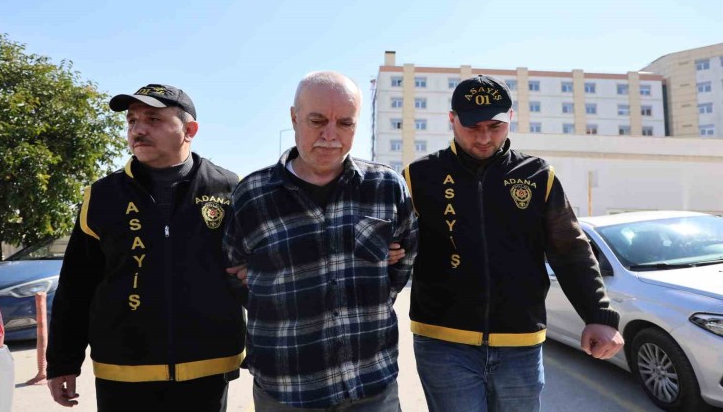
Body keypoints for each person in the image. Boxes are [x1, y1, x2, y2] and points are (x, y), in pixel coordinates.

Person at [403, 75, 625, 411]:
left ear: (510, 117)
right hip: (443, 342)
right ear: (451, 119)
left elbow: (570, 249)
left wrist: (598, 315)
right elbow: (396, 249)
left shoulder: (538, 175)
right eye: (472, 126)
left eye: (495, 126)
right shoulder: (418, 176)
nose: (484, 137)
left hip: (520, 342)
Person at [223, 71, 419, 411]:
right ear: (294, 118)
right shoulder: (252, 195)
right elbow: (232, 269)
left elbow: (405, 258)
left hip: (371, 383)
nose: (330, 135)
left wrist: (370, 297)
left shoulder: (386, 187)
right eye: (317, 121)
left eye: (345, 123)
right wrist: (272, 292)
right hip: (287, 387)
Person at [46, 84, 245, 412]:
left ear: (189, 130)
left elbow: (252, 271)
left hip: (208, 365)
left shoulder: (228, 188)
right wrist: (62, 361)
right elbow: (76, 286)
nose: (138, 129)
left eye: (153, 119)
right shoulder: (102, 197)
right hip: (122, 369)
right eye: (132, 121)